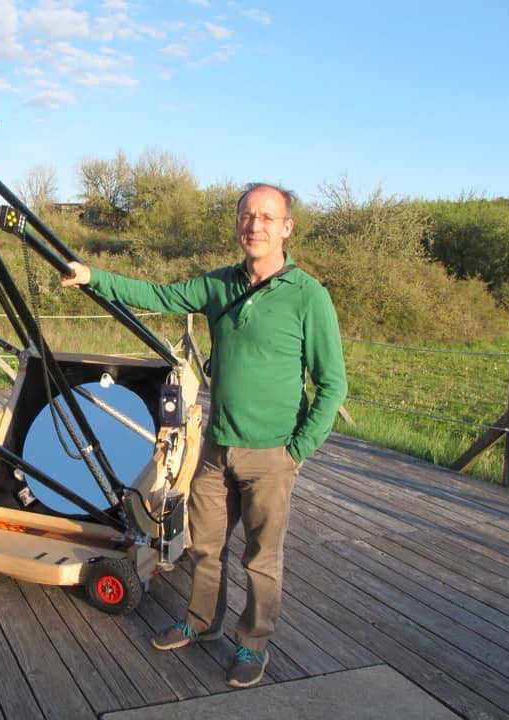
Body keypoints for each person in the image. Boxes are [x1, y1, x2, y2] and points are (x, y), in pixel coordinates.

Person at [62, 182, 347, 688]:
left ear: (287, 228)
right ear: (237, 223)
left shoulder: (310, 296)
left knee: (261, 558)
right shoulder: (220, 285)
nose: (254, 225)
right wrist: (91, 277)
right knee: (203, 547)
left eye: (266, 216)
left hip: (271, 454)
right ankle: (200, 623)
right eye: (246, 215)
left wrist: (296, 450)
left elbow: (332, 385)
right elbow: (156, 295)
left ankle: (252, 643)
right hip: (217, 448)